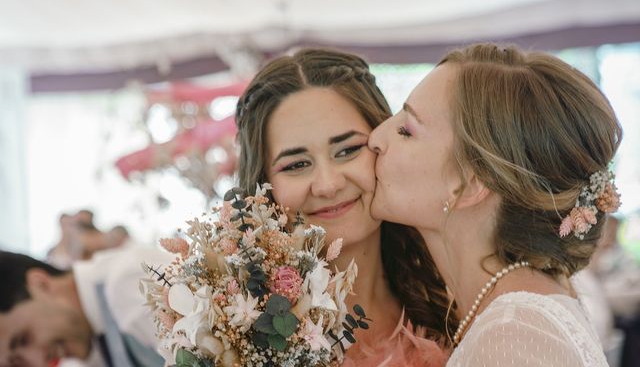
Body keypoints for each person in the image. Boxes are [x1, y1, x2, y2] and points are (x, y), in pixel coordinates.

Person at [368, 43, 622, 366]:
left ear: (471, 182)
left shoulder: (510, 335)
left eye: (406, 130)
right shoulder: (519, 312)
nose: (375, 138)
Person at [235, 48, 450, 365]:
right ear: (262, 185)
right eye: (296, 165)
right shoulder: (236, 334)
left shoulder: (455, 300)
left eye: (348, 149)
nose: (328, 184)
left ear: (383, 145)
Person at [0, 243, 173, 367]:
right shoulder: (91, 346)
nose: (40, 362)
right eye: (19, 364)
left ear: (41, 284)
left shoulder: (128, 284)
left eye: (24, 339)